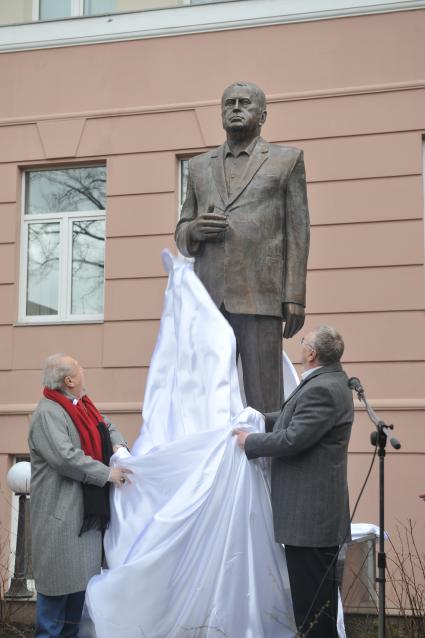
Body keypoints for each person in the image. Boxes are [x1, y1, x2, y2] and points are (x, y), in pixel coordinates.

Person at [175, 80, 310, 413]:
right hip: (209, 299)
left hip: (260, 295)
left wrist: (293, 295)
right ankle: (212, 464)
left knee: (264, 397)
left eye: (243, 103)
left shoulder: (286, 160)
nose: (235, 108)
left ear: (262, 114)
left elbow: (298, 230)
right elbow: (180, 232)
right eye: (228, 104)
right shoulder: (198, 166)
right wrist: (194, 230)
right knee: (206, 397)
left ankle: (267, 464)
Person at [233, 325, 354, 638]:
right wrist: (260, 417)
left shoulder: (323, 388)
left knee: (312, 609)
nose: (301, 346)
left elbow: (293, 440)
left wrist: (251, 441)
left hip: (310, 521)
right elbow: (294, 418)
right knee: (315, 605)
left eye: (304, 342)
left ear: (311, 353)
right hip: (312, 520)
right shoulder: (327, 381)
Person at [28, 353, 131, 638]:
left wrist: (119, 446)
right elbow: (65, 457)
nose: (84, 372)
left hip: (83, 523)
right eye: (79, 369)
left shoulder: (82, 406)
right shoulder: (48, 412)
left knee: (74, 619)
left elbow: (106, 426)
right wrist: (106, 474)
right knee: (52, 619)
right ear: (69, 380)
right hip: (59, 523)